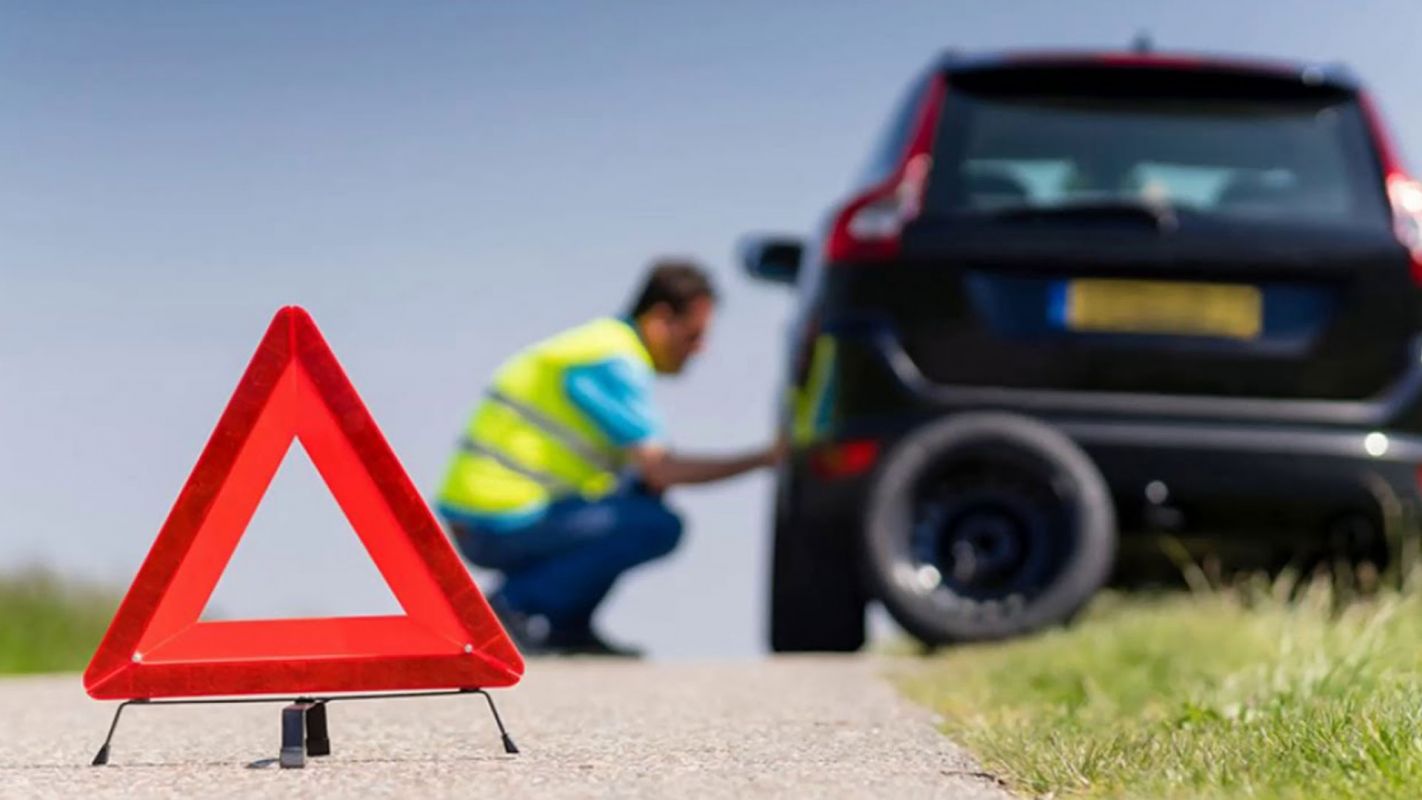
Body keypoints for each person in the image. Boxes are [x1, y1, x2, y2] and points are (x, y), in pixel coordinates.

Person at [434, 260, 782, 657]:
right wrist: (765, 458)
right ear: (660, 319)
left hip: (498, 512)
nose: (700, 350)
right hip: (494, 520)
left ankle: (566, 625)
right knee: (654, 524)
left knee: (643, 499)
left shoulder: (601, 346)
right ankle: (512, 607)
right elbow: (662, 468)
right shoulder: (610, 361)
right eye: (693, 335)